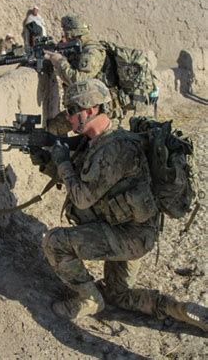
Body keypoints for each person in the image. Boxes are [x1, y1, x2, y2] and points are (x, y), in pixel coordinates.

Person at [36, 78, 207, 331]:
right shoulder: (103, 140)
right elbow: (90, 181)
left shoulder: (112, 149)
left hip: (129, 236)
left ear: (91, 110)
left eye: (72, 111)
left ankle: (89, 299)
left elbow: (81, 196)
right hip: (134, 229)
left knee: (54, 242)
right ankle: (180, 310)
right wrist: (46, 161)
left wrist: (61, 161)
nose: (68, 118)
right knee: (119, 295)